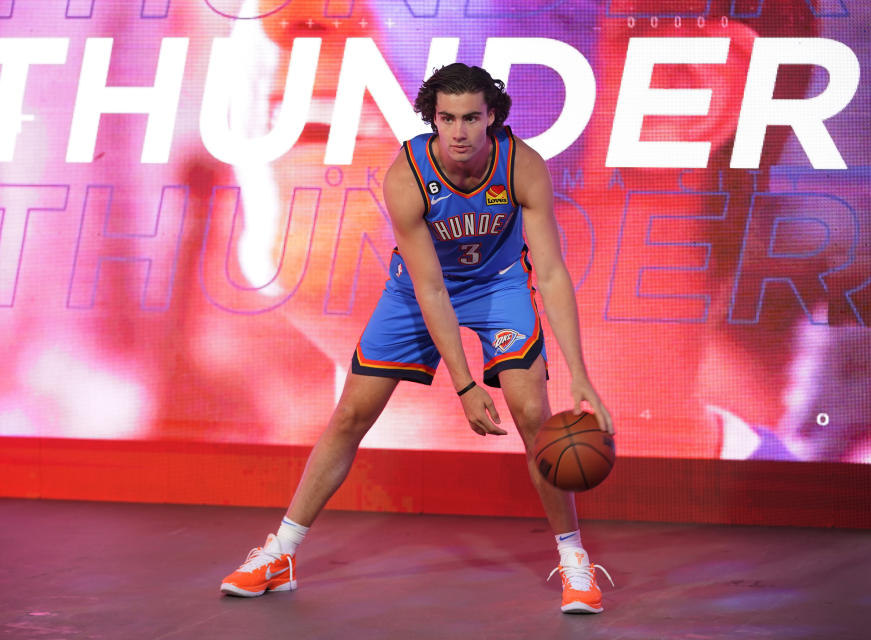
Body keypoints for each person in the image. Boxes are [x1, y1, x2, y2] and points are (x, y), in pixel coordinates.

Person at [220, 63, 615, 614]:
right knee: (351, 415)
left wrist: (583, 377)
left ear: (491, 117)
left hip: (499, 288)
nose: (459, 131)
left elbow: (549, 272)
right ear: (433, 119)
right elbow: (431, 288)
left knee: (532, 415)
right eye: (447, 118)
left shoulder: (522, 165)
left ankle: (575, 562)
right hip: (416, 292)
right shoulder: (406, 175)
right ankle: (280, 553)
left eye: (471, 118)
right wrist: (464, 385)